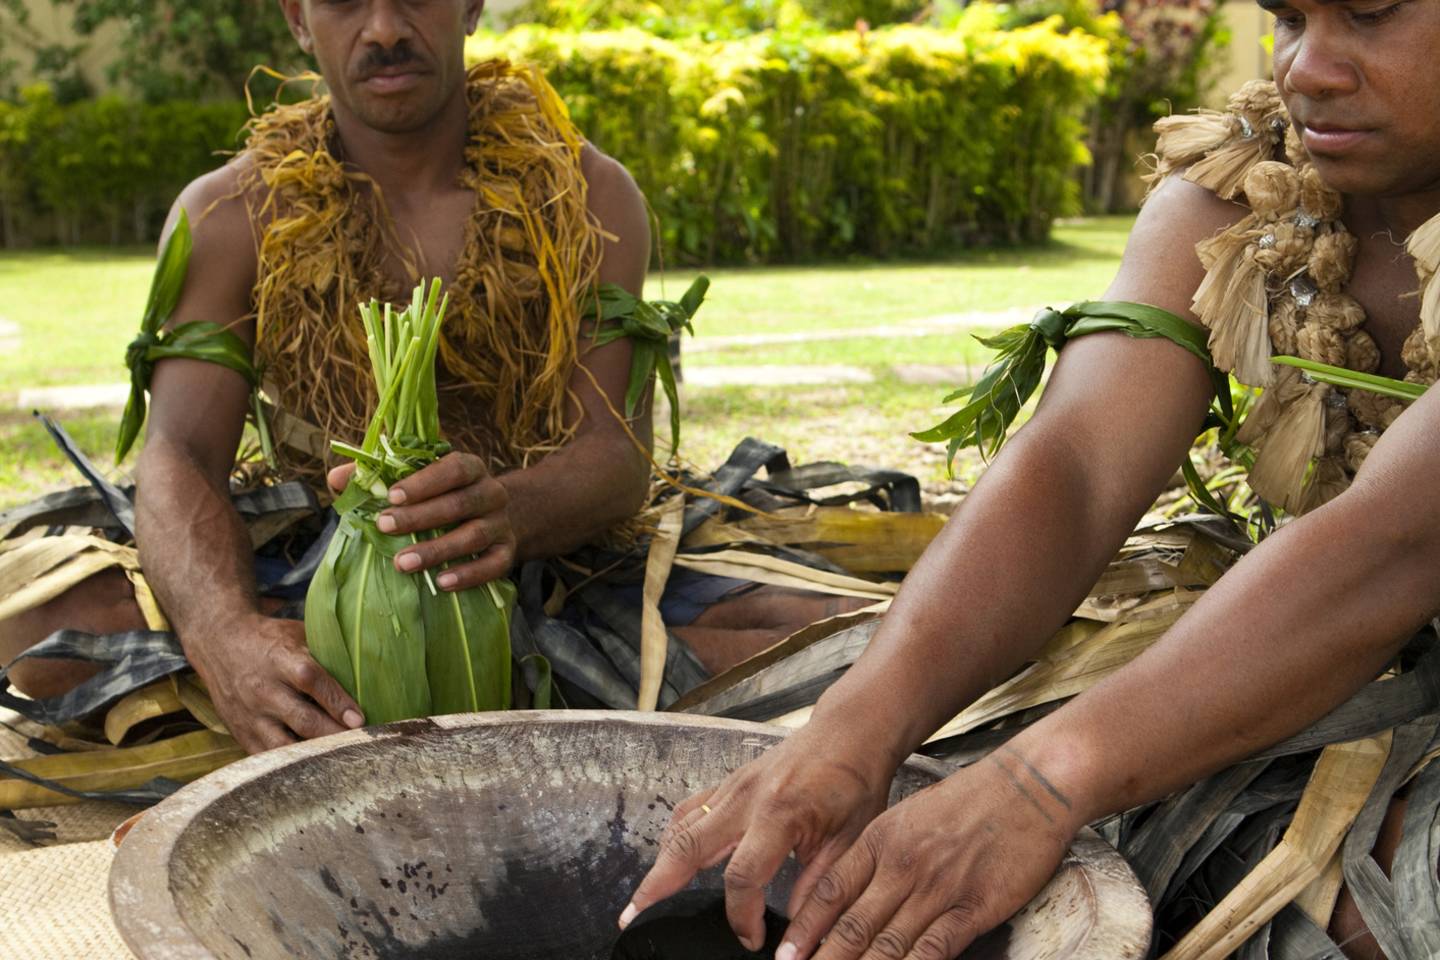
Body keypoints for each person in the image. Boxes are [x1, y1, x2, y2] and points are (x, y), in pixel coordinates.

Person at [622, 2, 1440, 958]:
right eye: (1289, 16)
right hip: (1318, 624)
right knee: (845, 753)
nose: (1311, 67)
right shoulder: (1235, 195)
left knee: (1370, 912)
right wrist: (857, 729)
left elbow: (1393, 541)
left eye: (1371, 13)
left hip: (1358, 601)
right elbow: (1080, 463)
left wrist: (1038, 787)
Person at [0, 0, 860, 755]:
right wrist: (223, 635)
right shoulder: (231, 212)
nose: (383, 28)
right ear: (297, 18)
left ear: (472, 3)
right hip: (320, 566)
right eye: (343, 2)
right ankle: (412, 703)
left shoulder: (589, 196)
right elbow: (179, 453)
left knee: (834, 642)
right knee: (39, 634)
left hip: (560, 570)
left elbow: (616, 452)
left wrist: (509, 512)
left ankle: (463, 699)